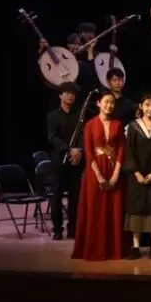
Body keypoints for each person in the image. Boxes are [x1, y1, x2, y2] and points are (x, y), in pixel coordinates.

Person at [72, 91, 128, 261]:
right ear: (98, 103)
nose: (109, 105)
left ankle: (114, 249)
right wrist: (100, 177)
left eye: (112, 102)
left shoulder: (118, 124)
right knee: (96, 211)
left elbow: (121, 150)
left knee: (114, 211)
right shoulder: (90, 125)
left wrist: (116, 175)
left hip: (113, 171)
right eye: (106, 102)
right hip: (95, 173)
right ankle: (95, 249)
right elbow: (89, 153)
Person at [123, 94, 151, 260]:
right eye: (147, 105)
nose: (150, 108)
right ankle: (135, 246)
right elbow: (129, 151)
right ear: (141, 106)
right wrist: (136, 173)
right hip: (136, 176)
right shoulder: (133, 127)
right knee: (136, 209)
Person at [47, 82, 85, 241]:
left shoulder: (80, 115)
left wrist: (79, 151)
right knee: (56, 196)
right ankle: (57, 229)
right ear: (60, 95)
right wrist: (69, 150)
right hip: (59, 161)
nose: (71, 96)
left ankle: (73, 229)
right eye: (68, 93)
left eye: (73, 94)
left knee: (75, 196)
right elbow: (53, 137)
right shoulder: (53, 116)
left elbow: (83, 135)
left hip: (76, 161)